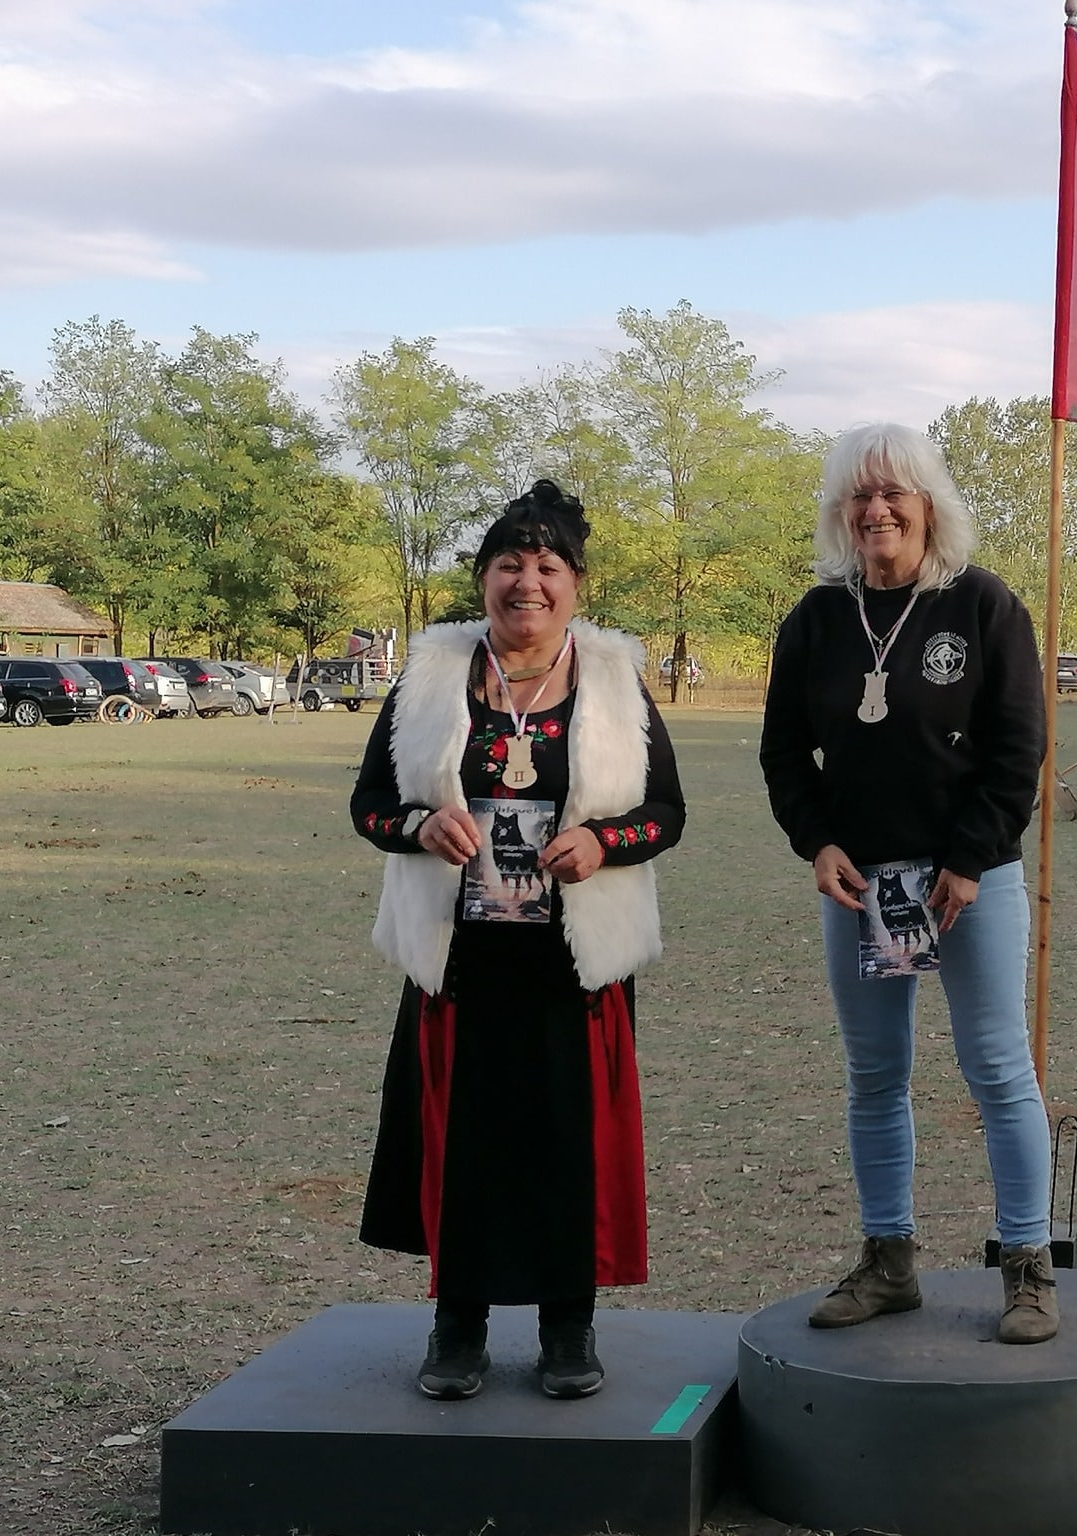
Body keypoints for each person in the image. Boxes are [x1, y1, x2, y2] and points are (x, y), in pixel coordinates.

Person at [350, 480, 685, 1400]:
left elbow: (667, 812)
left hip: (572, 964)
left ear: (575, 584)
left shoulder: (615, 682)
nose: (526, 582)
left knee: (566, 1145)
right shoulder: (429, 679)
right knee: (465, 1145)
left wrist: (604, 841)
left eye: (547, 566)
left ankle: (567, 1327)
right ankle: (457, 1326)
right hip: (459, 961)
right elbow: (368, 805)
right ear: (483, 579)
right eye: (509, 564)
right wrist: (418, 826)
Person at [759, 422, 1058, 1344]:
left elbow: (1020, 748)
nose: (877, 509)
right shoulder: (817, 618)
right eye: (860, 494)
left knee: (998, 1068)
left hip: (972, 880)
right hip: (863, 885)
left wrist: (968, 861)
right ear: (841, 510)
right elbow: (783, 754)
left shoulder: (983, 604)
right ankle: (889, 1263)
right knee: (876, 1075)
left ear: (929, 505)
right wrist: (817, 844)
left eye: (894, 492)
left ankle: (1028, 1265)